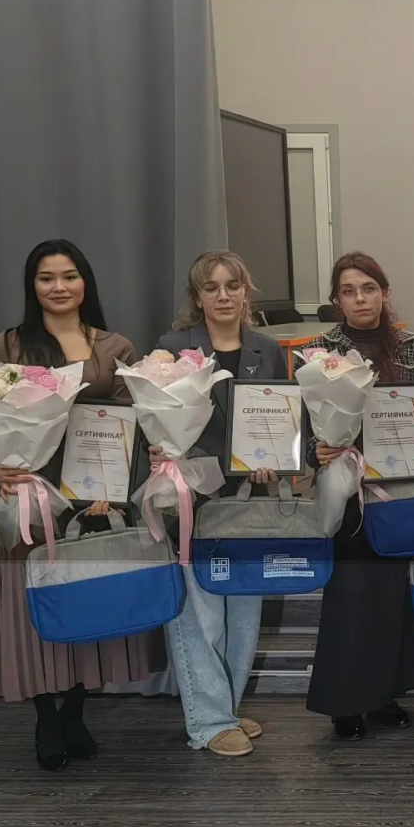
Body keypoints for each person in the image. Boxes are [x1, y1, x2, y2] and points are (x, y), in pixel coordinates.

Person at [0, 239, 157, 771]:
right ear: (32, 286)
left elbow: (135, 425)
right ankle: (45, 716)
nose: (59, 287)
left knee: (84, 601)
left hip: (94, 496)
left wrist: (112, 490)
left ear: (85, 282)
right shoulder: (6, 346)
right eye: (46, 277)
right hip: (26, 494)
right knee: (33, 602)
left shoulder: (116, 346)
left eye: (69, 276)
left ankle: (75, 710)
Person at [303, 252, 414, 740]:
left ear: (385, 293)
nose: (360, 298)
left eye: (368, 288)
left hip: (400, 488)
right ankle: (345, 702)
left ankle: (385, 694)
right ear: (337, 300)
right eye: (348, 291)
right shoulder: (319, 352)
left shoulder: (411, 345)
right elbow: (302, 424)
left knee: (391, 596)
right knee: (350, 595)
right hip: (347, 491)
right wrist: (317, 450)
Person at [153, 250, 286, 757]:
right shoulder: (172, 350)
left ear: (246, 292)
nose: (223, 295)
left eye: (233, 285)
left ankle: (225, 705)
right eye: (211, 287)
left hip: (250, 496)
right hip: (193, 497)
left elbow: (281, 418)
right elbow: (154, 419)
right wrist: (159, 449)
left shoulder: (266, 350)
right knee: (200, 615)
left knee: (244, 611)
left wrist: (277, 460)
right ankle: (209, 723)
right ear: (197, 297)